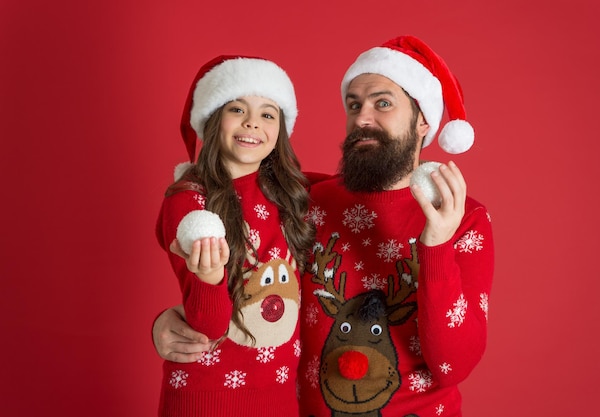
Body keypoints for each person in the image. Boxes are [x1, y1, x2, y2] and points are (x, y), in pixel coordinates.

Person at [154, 35, 495, 417]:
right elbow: (233, 201)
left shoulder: (465, 219)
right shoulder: (304, 199)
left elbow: (454, 366)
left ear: (423, 122)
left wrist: (436, 245)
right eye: (354, 104)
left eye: (383, 103)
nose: (363, 118)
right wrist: (170, 323)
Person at [154, 55, 315, 417]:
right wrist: (209, 277)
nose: (252, 123)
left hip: (279, 396)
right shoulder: (190, 201)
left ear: (280, 131)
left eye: (268, 114)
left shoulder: (288, 194)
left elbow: (360, 190)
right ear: (213, 119)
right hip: (207, 396)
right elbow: (209, 326)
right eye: (237, 108)